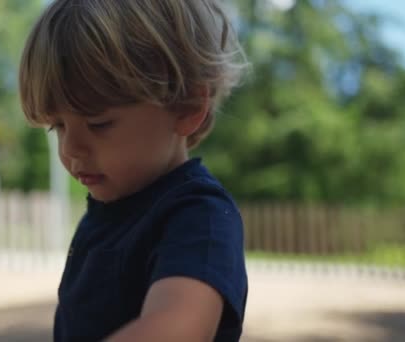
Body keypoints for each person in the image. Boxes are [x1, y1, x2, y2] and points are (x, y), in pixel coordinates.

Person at [19, 0, 249, 340]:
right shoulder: (108, 212)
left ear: (186, 107)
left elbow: (177, 329)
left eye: (99, 124)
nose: (69, 149)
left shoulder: (200, 217)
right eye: (57, 127)